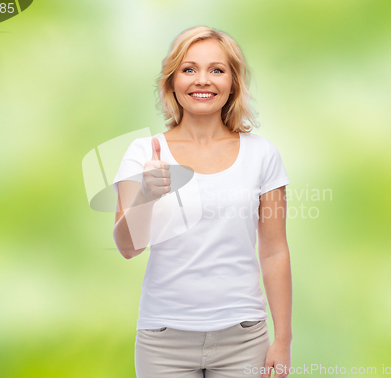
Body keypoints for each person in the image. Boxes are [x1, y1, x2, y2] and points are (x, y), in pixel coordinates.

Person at [112, 25, 292, 378]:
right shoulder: (144, 153)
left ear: (233, 83)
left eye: (217, 70)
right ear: (172, 82)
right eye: (189, 69)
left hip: (243, 336)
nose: (202, 80)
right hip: (163, 339)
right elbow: (128, 247)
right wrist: (148, 194)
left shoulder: (262, 155)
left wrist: (282, 339)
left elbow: (274, 251)